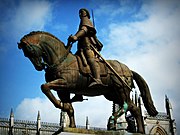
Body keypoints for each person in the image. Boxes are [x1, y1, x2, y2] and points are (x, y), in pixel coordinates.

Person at [68, 8, 104, 88]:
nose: (80, 14)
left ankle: (98, 79)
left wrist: (75, 37)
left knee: (91, 60)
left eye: (82, 12)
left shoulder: (86, 20)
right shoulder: (82, 21)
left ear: (86, 14)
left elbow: (84, 30)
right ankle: (78, 93)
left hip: (88, 46)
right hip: (81, 47)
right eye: (79, 13)